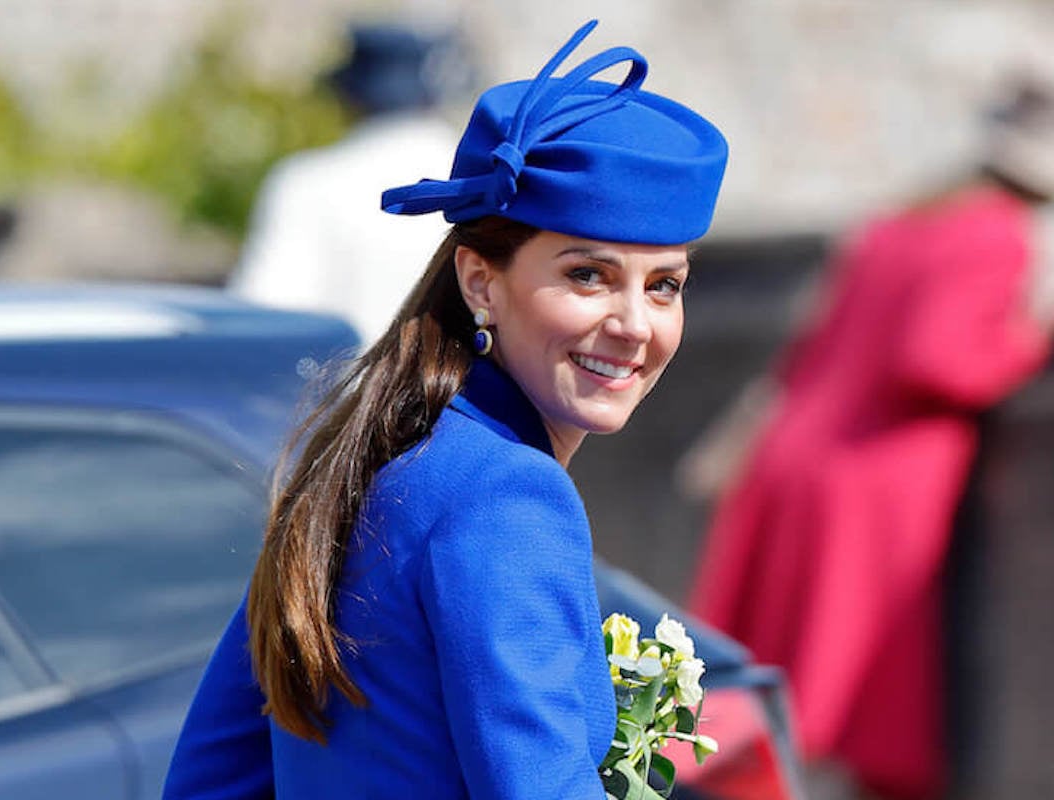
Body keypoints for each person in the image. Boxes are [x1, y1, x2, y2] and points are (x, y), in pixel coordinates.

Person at [163, 19, 727, 799]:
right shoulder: (506, 493)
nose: (635, 324)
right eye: (590, 276)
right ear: (480, 282)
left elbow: (211, 778)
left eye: (664, 285)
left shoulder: (365, 460)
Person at [687, 64, 1054, 800]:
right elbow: (939, 359)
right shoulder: (994, 232)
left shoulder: (902, 220)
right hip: (880, 481)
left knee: (766, 692)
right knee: (853, 697)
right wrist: (1033, 336)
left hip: (797, 457)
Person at [227, 22, 468, 344]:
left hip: (345, 389)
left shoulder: (309, 181)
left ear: (348, 97)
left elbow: (268, 315)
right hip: (462, 389)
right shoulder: (477, 181)